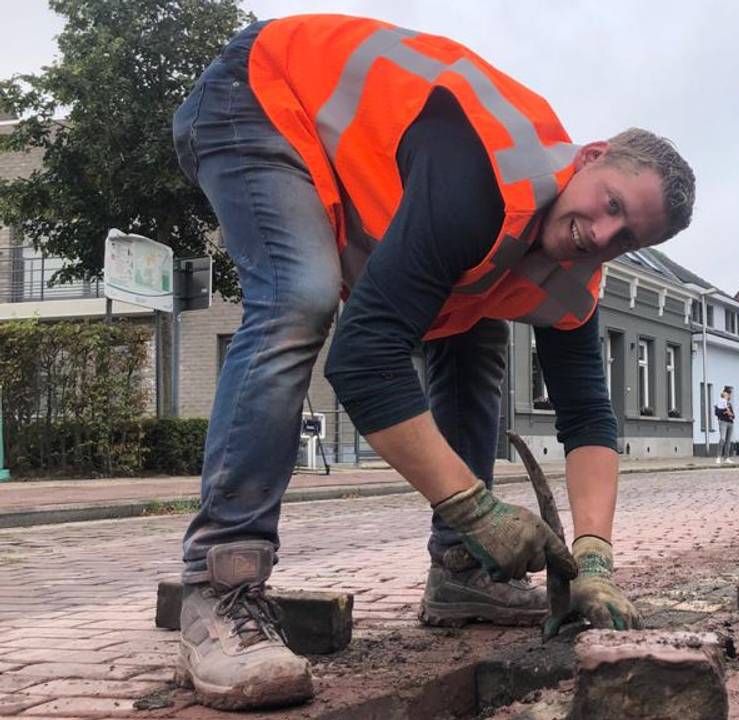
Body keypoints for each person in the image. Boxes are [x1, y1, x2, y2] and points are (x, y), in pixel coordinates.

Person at [171, 15, 694, 711]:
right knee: (299, 297)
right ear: (591, 156)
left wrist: (595, 556)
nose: (599, 236)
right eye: (610, 206)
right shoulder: (484, 176)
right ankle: (219, 590)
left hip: (364, 181)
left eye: (624, 238)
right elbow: (362, 360)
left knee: (474, 332)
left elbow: (588, 413)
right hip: (261, 95)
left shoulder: (570, 271)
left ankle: (459, 571)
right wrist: (477, 507)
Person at [714, 386, 736, 464]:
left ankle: (726, 457)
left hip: (730, 423)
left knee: (728, 441)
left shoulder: (729, 404)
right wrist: (725, 412)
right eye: (728, 394)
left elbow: (733, 416)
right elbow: (717, 413)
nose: (729, 396)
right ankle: (718, 457)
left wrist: (731, 414)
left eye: (729, 394)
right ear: (724, 394)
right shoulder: (719, 403)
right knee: (722, 439)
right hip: (723, 422)